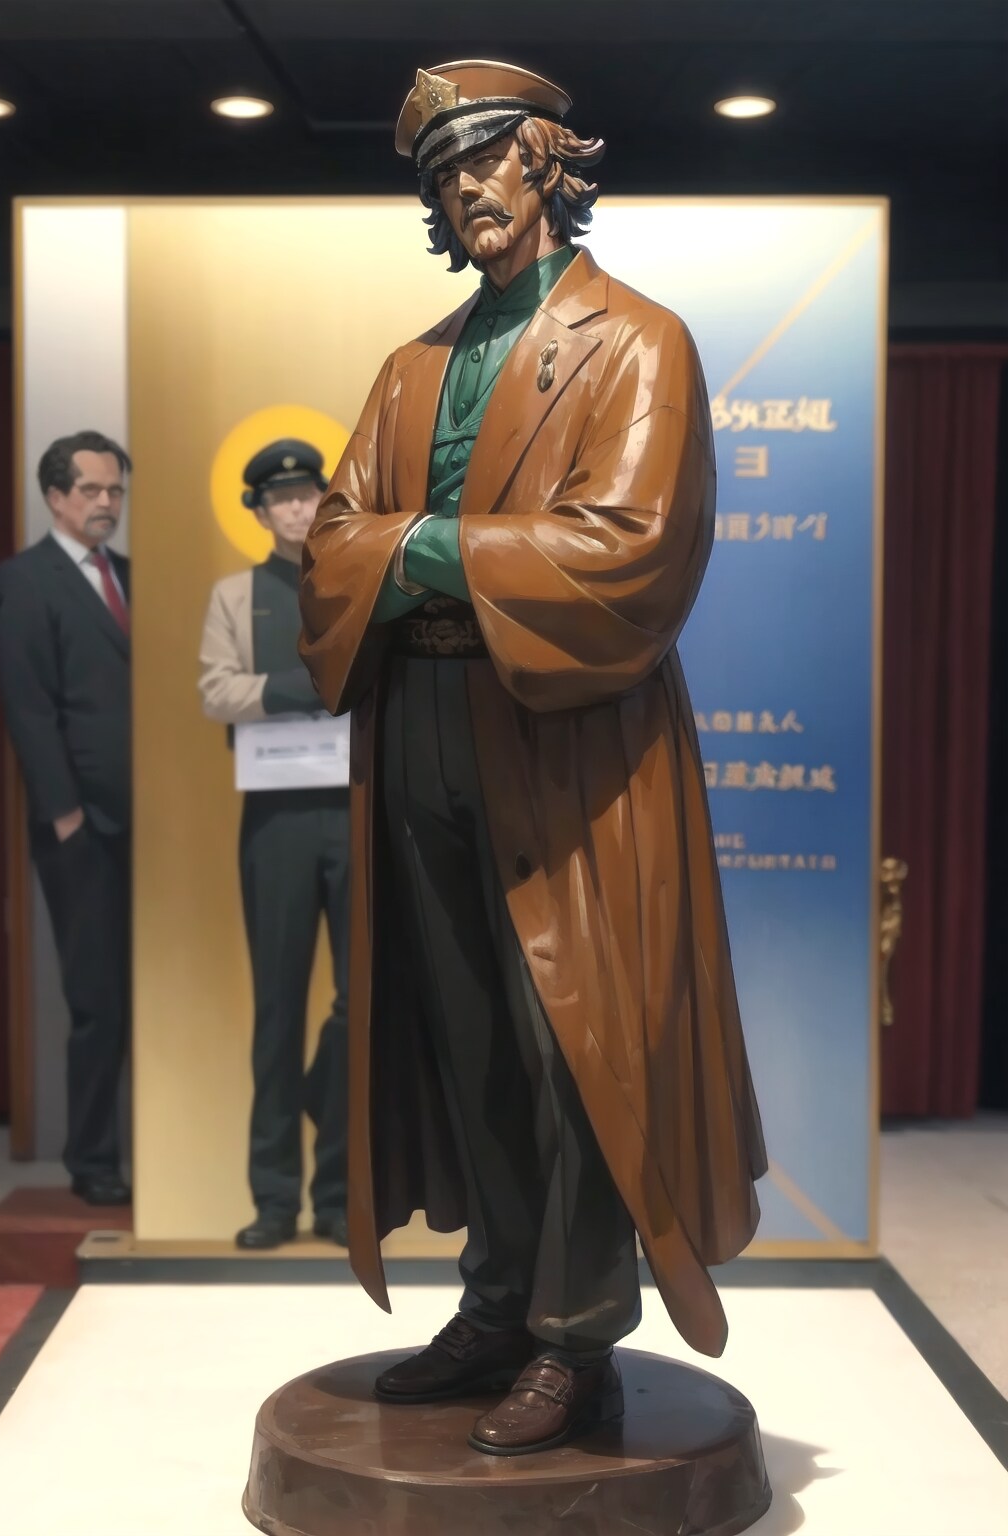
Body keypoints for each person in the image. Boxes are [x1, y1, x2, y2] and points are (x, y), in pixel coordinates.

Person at [300, 61, 767, 1455]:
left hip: (569, 735)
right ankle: (497, 1302)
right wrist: (422, 554)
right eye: (442, 173)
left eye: (488, 157)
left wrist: (419, 548)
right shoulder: (413, 364)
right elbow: (330, 542)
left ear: (549, 161)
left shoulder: (639, 342)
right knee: (465, 1036)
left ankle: (576, 1336)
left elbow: (628, 550)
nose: (466, 187)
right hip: (422, 725)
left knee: (574, 1038)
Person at [199, 439, 349, 1250]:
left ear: (325, 500)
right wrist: (309, 688)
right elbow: (216, 691)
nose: (295, 507)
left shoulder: (355, 581)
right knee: (278, 1008)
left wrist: (276, 693)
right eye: (279, 498)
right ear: (259, 512)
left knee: (362, 1008)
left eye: (306, 494)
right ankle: (274, 1198)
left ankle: (341, 1196)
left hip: (355, 809)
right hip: (275, 817)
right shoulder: (235, 595)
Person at [0, 430, 133, 1205]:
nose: (106, 503)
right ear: (55, 496)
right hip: (83, 831)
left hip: (153, 828)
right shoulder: (25, 580)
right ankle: (94, 1160)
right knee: (97, 1001)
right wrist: (66, 816)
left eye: (116, 491)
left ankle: (159, 1155)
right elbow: (28, 708)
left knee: (151, 994)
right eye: (91, 490)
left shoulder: (133, 576)